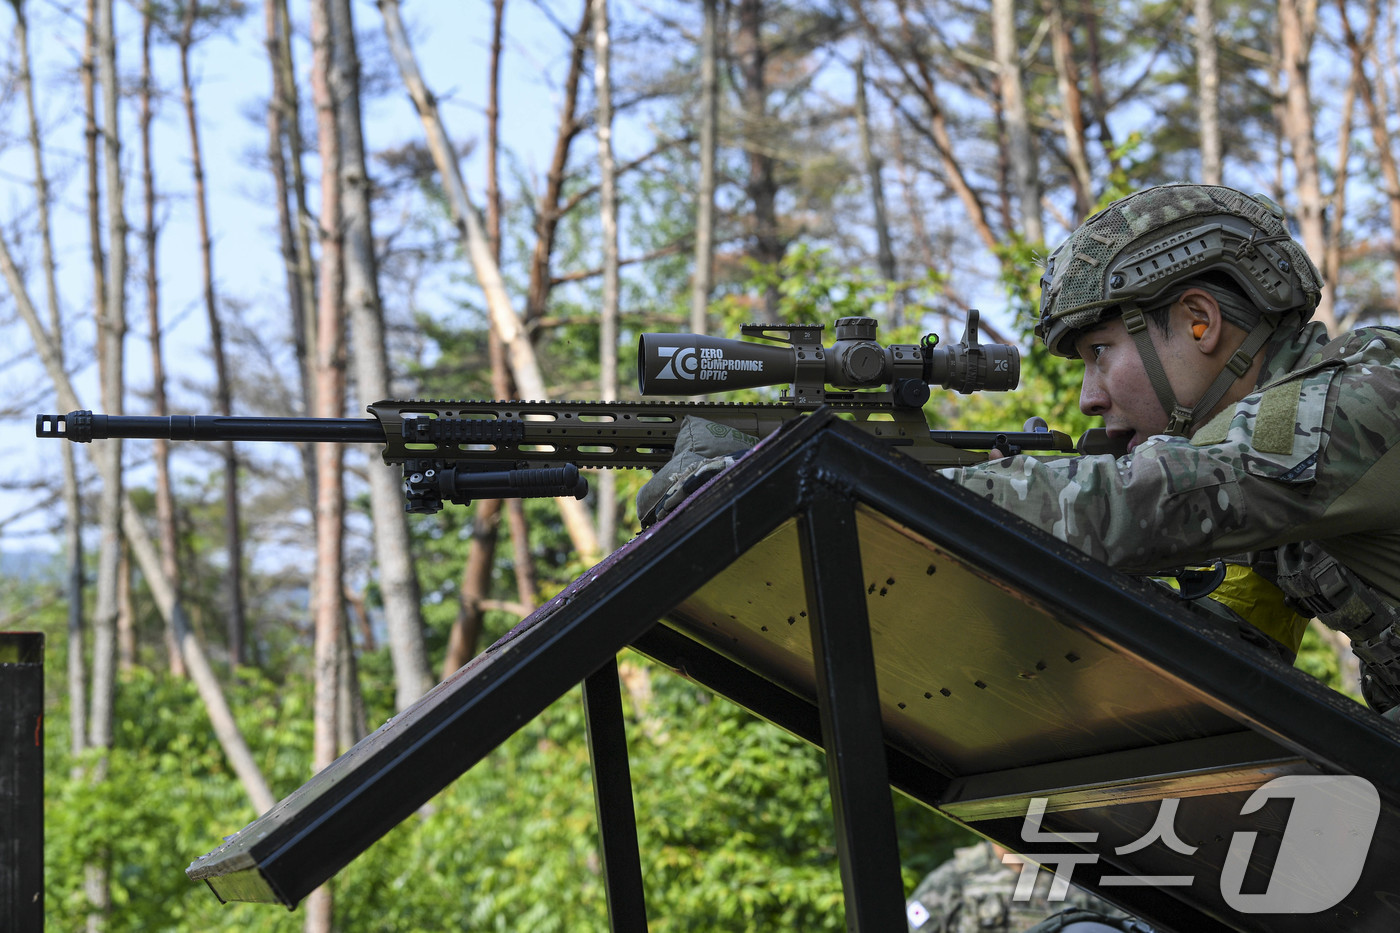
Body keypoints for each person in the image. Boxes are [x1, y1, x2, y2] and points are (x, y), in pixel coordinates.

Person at [937, 183, 1400, 713]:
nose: (1090, 398)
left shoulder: (1366, 399)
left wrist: (934, 493)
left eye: (1100, 351)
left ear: (1199, 321)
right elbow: (1217, 648)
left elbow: (1156, 497)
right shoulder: (1265, 494)